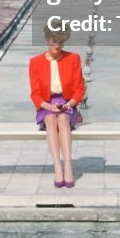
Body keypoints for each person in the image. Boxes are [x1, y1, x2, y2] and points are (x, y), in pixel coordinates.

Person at [29, 23, 85, 188]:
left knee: (62, 119)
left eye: (60, 42)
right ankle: (57, 167)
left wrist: (69, 104)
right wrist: (48, 106)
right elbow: (35, 94)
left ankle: (68, 165)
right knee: (51, 120)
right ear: (47, 40)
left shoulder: (73, 58)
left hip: (68, 104)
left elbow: (79, 89)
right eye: (54, 42)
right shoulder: (35, 62)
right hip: (46, 105)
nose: (57, 45)